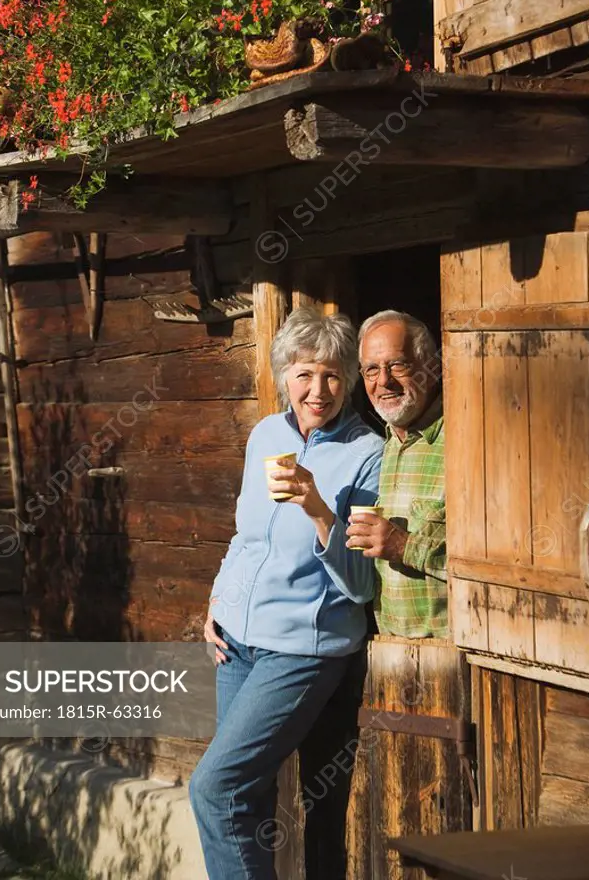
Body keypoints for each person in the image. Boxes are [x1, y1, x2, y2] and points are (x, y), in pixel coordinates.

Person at [189, 307, 383, 880]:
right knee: (243, 798)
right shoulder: (266, 435)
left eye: (331, 375)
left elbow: (360, 584)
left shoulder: (366, 452)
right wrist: (217, 602)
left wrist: (319, 506)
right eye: (304, 374)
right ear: (284, 378)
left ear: (347, 379)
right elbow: (246, 535)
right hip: (236, 644)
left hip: (302, 650)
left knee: (215, 786)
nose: (317, 390)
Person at [347, 310, 447, 638]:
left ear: (431, 367)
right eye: (371, 370)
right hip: (390, 653)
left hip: (455, 659)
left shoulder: (464, 441)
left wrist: (404, 546)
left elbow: (501, 565)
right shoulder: (386, 444)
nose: (383, 381)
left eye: (397, 365)